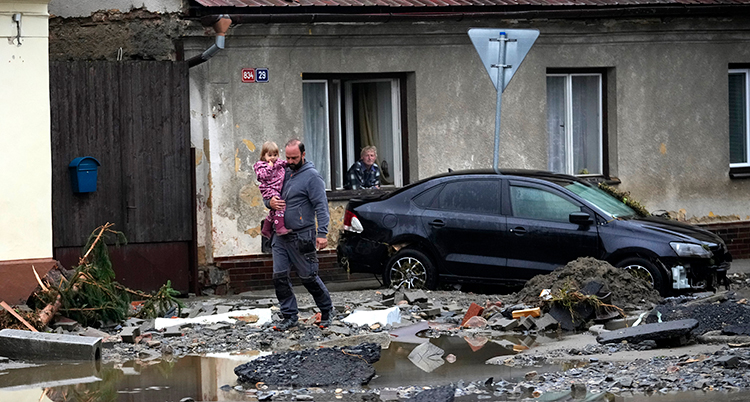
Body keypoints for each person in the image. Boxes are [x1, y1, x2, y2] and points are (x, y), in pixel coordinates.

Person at [266, 139, 333, 331]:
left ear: (303, 155)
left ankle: (327, 311)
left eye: (294, 157)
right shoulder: (281, 172)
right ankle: (289, 316)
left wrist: (322, 233)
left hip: (302, 235)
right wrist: (269, 203)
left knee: (308, 276)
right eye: (287, 157)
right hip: (280, 236)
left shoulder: (312, 177)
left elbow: (321, 206)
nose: (290, 161)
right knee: (279, 277)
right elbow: (267, 191)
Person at [253, 141, 290, 238]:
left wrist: (290, 163)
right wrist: (269, 167)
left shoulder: (278, 163)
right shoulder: (261, 165)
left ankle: (266, 229)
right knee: (280, 205)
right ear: (264, 155)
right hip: (269, 189)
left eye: (275, 155)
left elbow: (285, 163)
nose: (272, 158)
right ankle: (280, 227)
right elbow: (262, 176)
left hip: (276, 189)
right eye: (269, 155)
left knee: (274, 211)